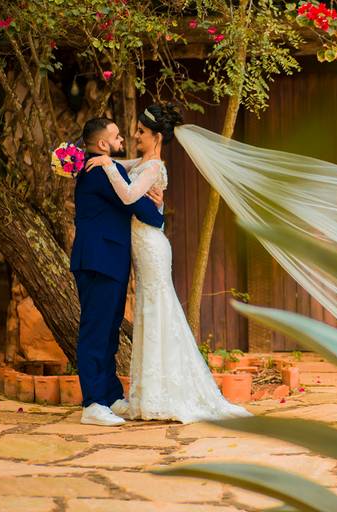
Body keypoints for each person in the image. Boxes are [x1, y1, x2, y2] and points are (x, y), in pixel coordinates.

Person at [84, 104, 250, 423]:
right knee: (153, 309)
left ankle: (165, 393)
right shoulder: (145, 162)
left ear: (157, 137)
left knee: (158, 309)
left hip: (151, 246)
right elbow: (129, 167)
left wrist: (106, 165)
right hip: (145, 244)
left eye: (141, 132)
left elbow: (130, 196)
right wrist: (108, 161)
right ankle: (153, 392)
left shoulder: (153, 166)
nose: (135, 135)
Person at [70, 118, 164, 426]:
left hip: (109, 259)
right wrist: (157, 207)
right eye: (116, 136)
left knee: (109, 330)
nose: (122, 139)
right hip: (98, 260)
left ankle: (110, 396)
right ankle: (93, 403)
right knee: (96, 332)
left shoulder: (105, 166)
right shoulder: (99, 173)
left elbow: (131, 168)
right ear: (101, 145)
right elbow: (139, 208)